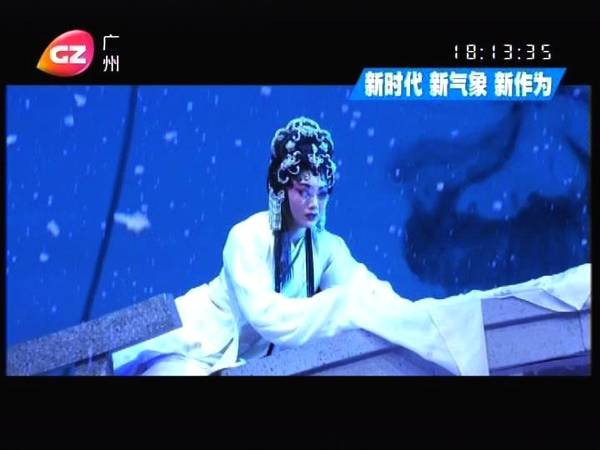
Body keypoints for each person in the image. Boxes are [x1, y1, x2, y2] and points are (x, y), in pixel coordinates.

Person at [112, 116, 489, 376]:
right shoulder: (247, 236)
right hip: (194, 343)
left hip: (242, 362)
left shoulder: (327, 248)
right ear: (282, 188)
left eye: (321, 193)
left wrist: (433, 321)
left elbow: (372, 295)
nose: (314, 203)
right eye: (303, 190)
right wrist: (343, 305)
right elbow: (271, 319)